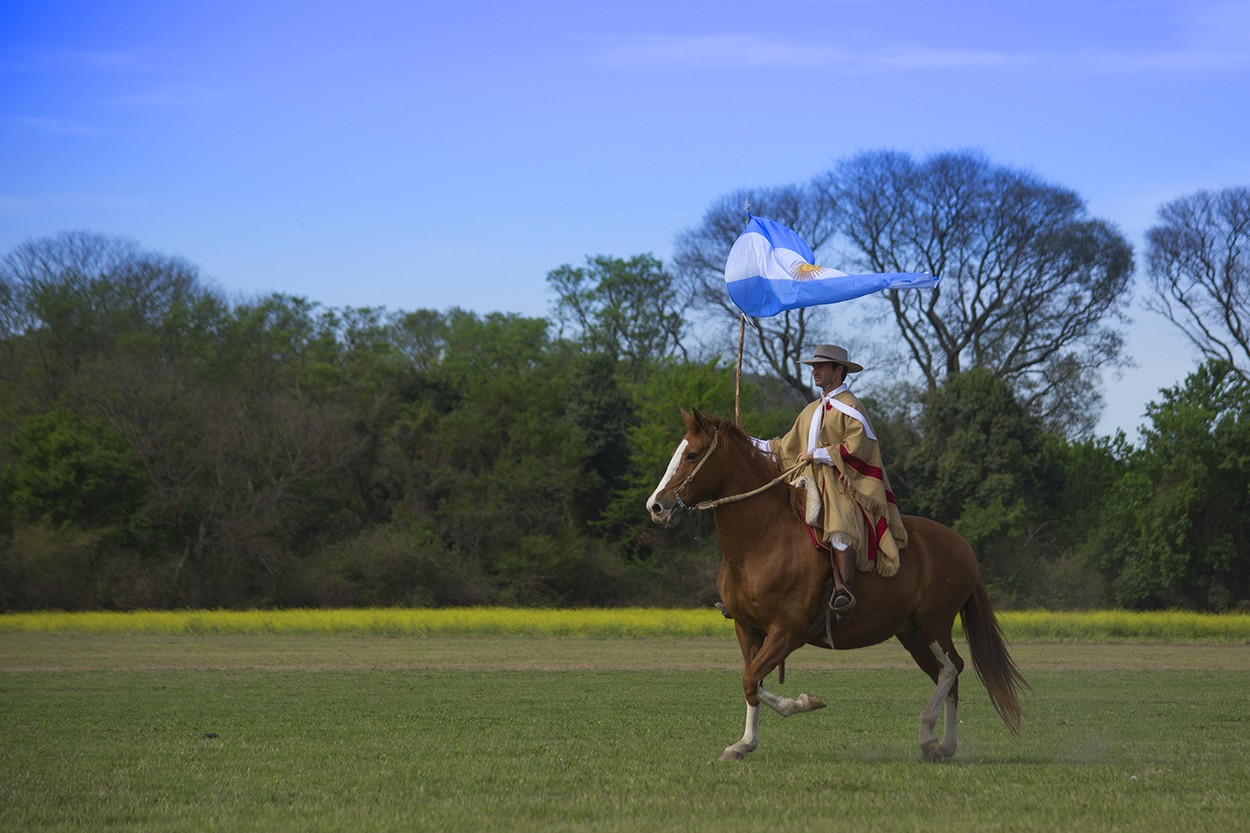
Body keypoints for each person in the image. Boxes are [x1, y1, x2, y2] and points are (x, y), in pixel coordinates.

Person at [751, 344, 907, 623]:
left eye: (820, 366)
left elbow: (859, 447)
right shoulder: (811, 410)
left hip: (842, 484)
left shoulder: (851, 407)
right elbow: (785, 446)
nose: (815, 371)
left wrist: (820, 454)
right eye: (813, 367)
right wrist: (748, 443)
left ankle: (844, 590)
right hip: (806, 481)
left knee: (838, 523)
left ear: (839, 370)